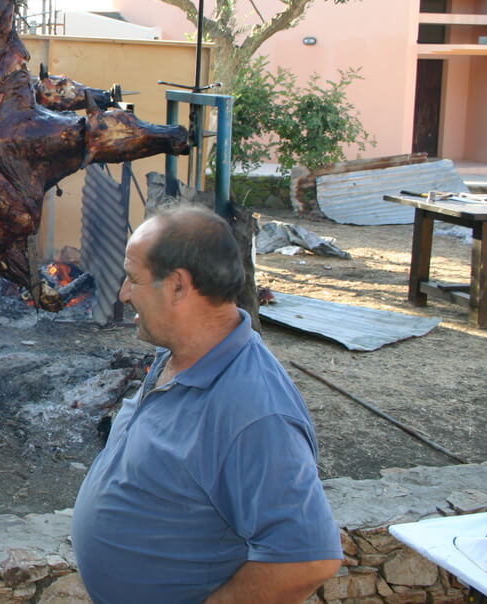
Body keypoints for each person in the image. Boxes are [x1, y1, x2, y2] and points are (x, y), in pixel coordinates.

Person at [71, 204, 342, 604]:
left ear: (178, 285)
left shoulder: (254, 411)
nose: (124, 294)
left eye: (133, 279)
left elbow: (308, 559)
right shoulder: (182, 353)